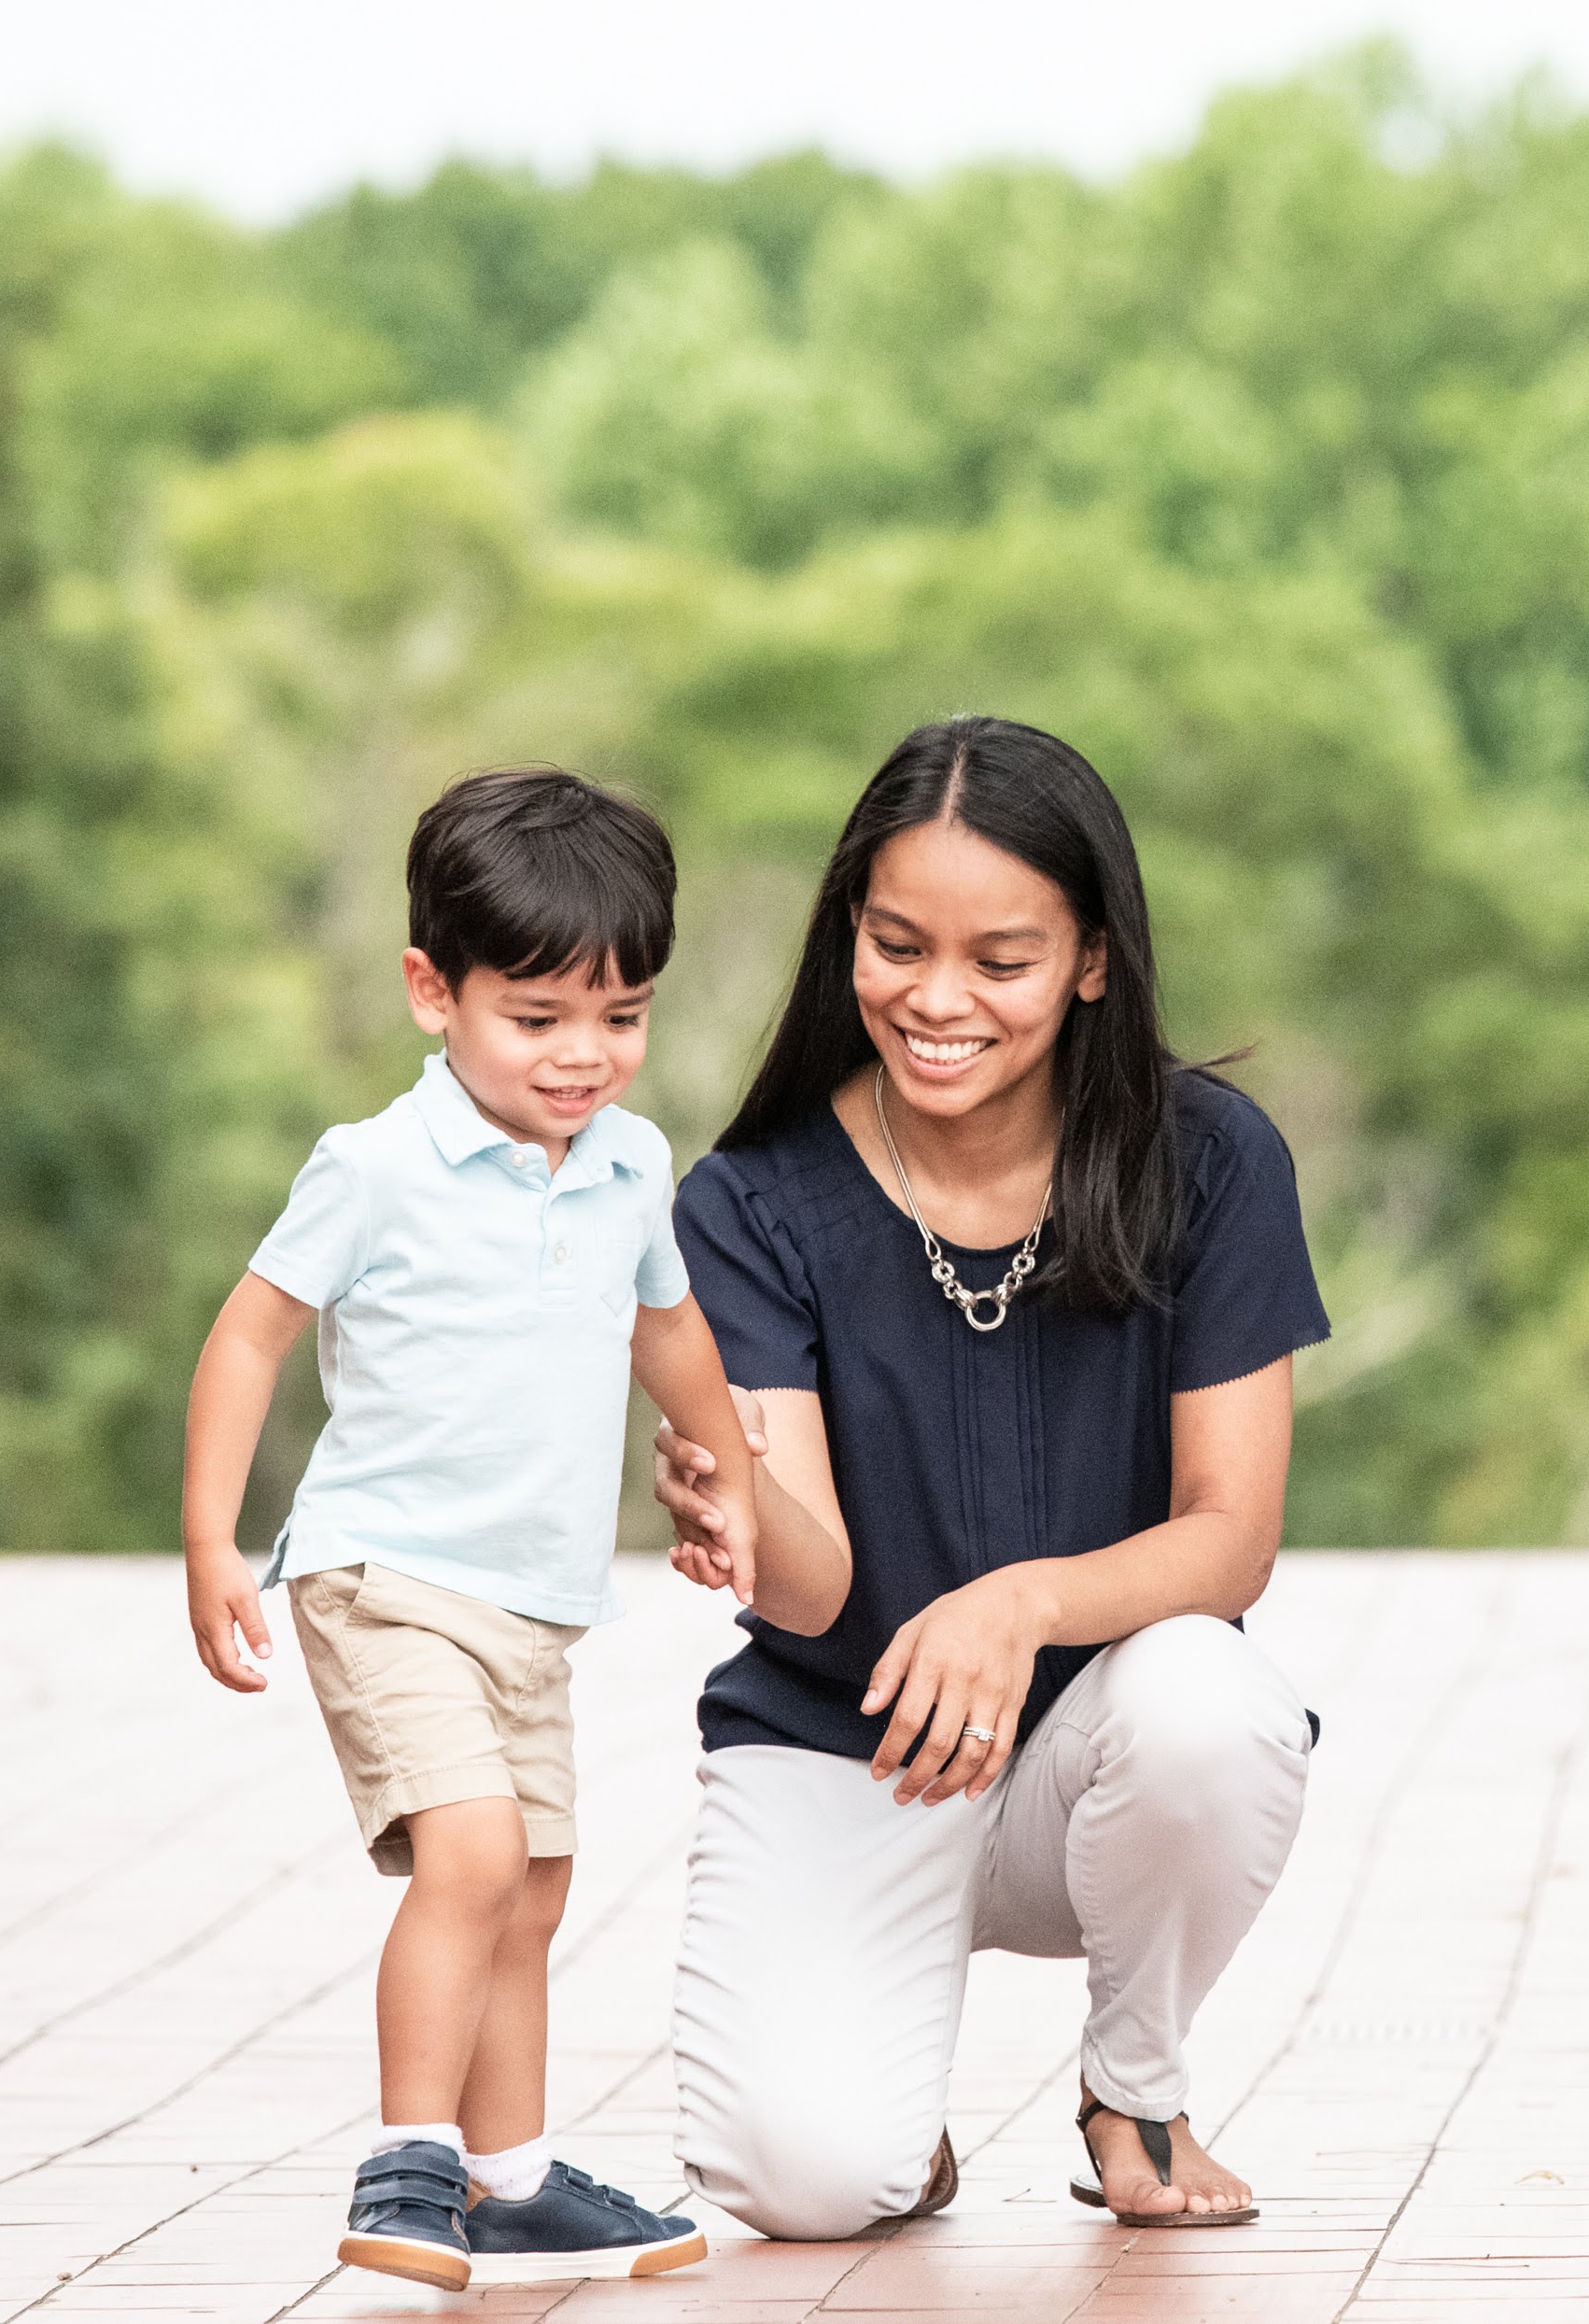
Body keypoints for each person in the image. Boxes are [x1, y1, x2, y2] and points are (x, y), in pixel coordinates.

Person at [653, 714, 1329, 2238]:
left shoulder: (1207, 1160)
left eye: (999, 960)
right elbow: (812, 1578)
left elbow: (1229, 1542)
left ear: (1091, 959)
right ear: (849, 939)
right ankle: (889, 2104)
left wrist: (1015, 1605)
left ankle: (1131, 2082)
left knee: (1210, 1703)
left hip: (1096, 1757)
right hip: (851, 1747)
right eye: (895, 944)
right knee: (806, 2182)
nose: (934, 999)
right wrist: (731, 1504)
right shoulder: (749, 1200)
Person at [181, 767, 756, 2292]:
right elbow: (247, 1338)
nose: (585, 1056)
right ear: (435, 992)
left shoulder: (632, 1162)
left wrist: (728, 1470)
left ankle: (507, 2181)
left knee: (539, 1881)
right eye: (540, 1015)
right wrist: (209, 1536)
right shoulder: (372, 1166)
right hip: (384, 1574)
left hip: (535, 1600)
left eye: (620, 1016)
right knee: (476, 1851)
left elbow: (670, 1328)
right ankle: (410, 2158)